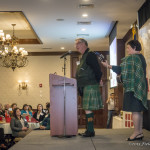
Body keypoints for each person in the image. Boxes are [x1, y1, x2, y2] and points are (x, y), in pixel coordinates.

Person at [101, 40, 147, 141]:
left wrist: (108, 66)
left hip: (133, 88)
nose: (127, 50)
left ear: (134, 48)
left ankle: (136, 132)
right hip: (140, 88)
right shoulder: (141, 58)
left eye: (128, 48)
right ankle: (139, 132)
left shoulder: (132, 58)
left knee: (135, 111)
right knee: (138, 111)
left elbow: (121, 69)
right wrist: (109, 66)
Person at [75, 38, 103, 137]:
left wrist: (97, 80)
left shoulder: (90, 55)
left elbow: (97, 70)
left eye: (78, 43)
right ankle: (89, 129)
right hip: (85, 86)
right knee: (87, 108)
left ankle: (90, 131)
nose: (76, 46)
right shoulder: (83, 56)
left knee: (87, 108)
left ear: (84, 44)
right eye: (76, 44)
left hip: (90, 85)